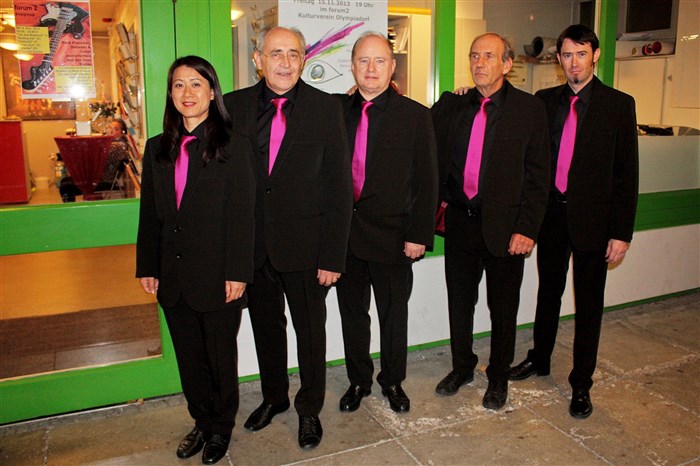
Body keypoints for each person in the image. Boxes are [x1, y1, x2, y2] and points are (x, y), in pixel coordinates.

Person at [223, 26, 352, 449]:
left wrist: (332, 256)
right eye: (275, 53)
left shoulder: (325, 108)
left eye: (293, 53)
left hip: (308, 248)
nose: (285, 62)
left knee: (311, 333)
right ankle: (274, 397)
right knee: (266, 329)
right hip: (254, 248)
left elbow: (338, 186)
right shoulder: (233, 107)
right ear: (258, 59)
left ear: (303, 60)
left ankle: (309, 408)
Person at [509, 24, 639, 419]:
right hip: (551, 216)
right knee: (547, 293)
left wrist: (621, 233)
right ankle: (540, 358)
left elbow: (627, 174)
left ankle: (581, 382)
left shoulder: (618, 105)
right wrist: (464, 95)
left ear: (595, 56)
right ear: (559, 59)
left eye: (581, 54)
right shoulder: (544, 101)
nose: (574, 63)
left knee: (589, 304)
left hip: (594, 223)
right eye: (567, 55)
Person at [136, 56, 255, 465]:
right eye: (179, 85)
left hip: (219, 275)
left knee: (219, 358)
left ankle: (221, 428)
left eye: (196, 84)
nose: (187, 93)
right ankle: (202, 422)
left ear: (212, 92)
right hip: (173, 274)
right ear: (170, 94)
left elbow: (243, 216)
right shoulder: (157, 147)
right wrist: (148, 265)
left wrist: (238, 271)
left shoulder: (234, 146)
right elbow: (150, 213)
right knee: (189, 359)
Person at [431, 33, 550, 410]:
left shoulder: (529, 110)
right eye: (474, 55)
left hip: (506, 228)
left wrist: (527, 228)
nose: (479, 63)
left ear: (507, 64)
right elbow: (413, 124)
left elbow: (538, 175)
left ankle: (498, 376)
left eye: (488, 56)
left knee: (503, 308)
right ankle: (462, 366)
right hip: (460, 224)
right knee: (459, 303)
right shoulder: (453, 105)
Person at [334, 32, 438, 414]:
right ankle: (358, 380)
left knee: (393, 316)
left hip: (394, 238)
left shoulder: (415, 115)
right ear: (353, 66)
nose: (371, 68)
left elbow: (428, 179)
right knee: (352, 316)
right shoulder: (336, 112)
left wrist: (419, 234)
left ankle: (393, 380)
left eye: (380, 61)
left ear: (393, 66)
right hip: (345, 239)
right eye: (363, 61)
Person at [59, 118, 131, 202]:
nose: (111, 131)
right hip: (99, 177)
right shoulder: (114, 143)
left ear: (122, 132)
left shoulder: (117, 146)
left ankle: (71, 207)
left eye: (115, 129)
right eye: (110, 128)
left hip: (103, 181)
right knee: (65, 181)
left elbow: (97, 159)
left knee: (65, 186)